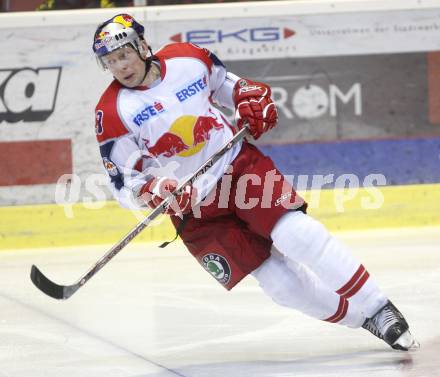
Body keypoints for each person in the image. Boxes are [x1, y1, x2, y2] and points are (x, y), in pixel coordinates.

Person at [93, 13, 418, 351]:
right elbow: (122, 184)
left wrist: (249, 98)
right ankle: (366, 320)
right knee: (282, 287)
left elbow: (229, 86)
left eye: (124, 54)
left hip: (237, 168)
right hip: (194, 210)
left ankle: (379, 307)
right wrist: (151, 191)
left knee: (296, 234)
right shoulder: (113, 112)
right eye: (111, 61)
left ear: (142, 46)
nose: (120, 66)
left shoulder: (187, 58)